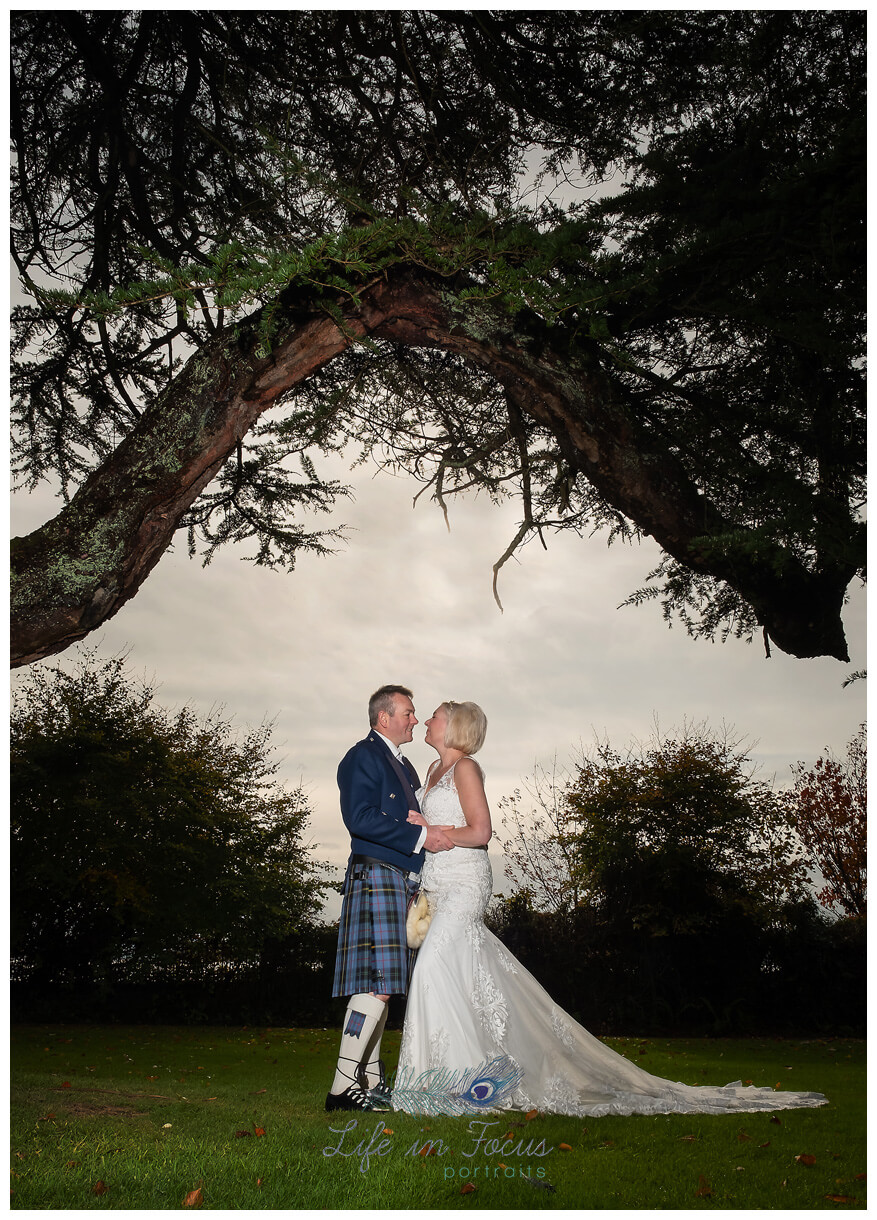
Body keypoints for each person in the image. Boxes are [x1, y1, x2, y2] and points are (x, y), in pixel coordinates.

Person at [393, 700, 827, 1117]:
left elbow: (481, 831)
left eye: (434, 716)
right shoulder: (432, 769)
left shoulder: (466, 768)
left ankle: (453, 1082)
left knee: (432, 968)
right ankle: (449, 1079)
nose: (427, 720)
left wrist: (433, 828)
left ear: (454, 727)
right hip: (438, 883)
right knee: (455, 974)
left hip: (466, 883)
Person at [326, 685, 456, 1112]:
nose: (414, 720)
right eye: (408, 712)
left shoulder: (405, 766)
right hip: (377, 873)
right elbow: (359, 819)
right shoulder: (363, 756)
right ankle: (343, 1087)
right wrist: (421, 834)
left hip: (399, 877)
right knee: (377, 984)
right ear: (384, 718)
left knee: (383, 984)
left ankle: (372, 1078)